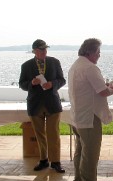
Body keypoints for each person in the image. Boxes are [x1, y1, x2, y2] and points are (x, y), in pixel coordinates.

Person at [68, 38, 113, 181]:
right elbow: (102, 92)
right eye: (98, 52)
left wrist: (105, 88)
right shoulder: (90, 68)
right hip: (89, 117)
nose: (99, 55)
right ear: (89, 52)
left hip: (77, 116)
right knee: (90, 154)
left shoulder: (75, 65)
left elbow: (92, 89)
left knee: (80, 151)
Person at [19, 39, 66, 173]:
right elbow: (22, 84)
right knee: (40, 135)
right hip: (35, 104)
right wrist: (31, 83)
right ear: (34, 51)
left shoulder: (54, 62)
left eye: (45, 49)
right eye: (41, 49)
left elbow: (62, 80)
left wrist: (52, 84)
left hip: (52, 103)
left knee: (54, 134)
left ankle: (55, 162)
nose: (44, 52)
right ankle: (44, 160)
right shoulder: (26, 65)